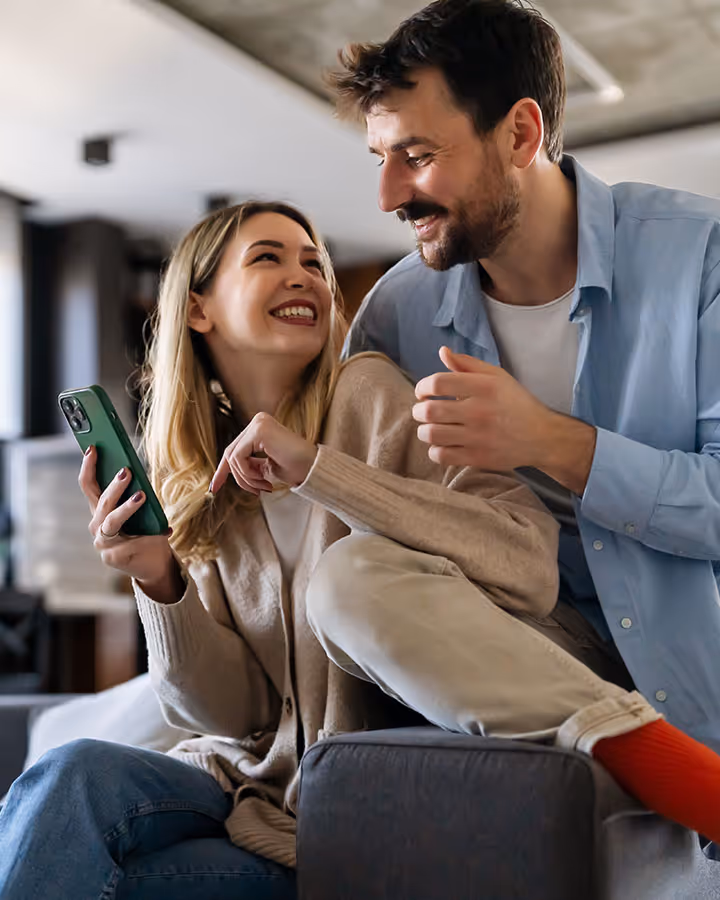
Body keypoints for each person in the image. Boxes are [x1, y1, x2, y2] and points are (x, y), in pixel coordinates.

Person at [0, 200, 565, 898]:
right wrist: (161, 584)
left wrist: (318, 471)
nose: (305, 277)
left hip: (341, 816)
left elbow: (527, 560)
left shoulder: (369, 393)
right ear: (198, 309)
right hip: (243, 789)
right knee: (67, 774)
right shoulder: (202, 481)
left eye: (313, 263)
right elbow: (232, 718)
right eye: (268, 258)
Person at [330, 0, 720, 854]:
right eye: (381, 159)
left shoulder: (700, 258)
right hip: (529, 662)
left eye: (418, 156)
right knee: (350, 574)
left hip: (697, 663)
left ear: (520, 132)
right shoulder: (397, 313)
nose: (391, 193)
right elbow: (349, 498)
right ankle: (661, 770)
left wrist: (552, 443)